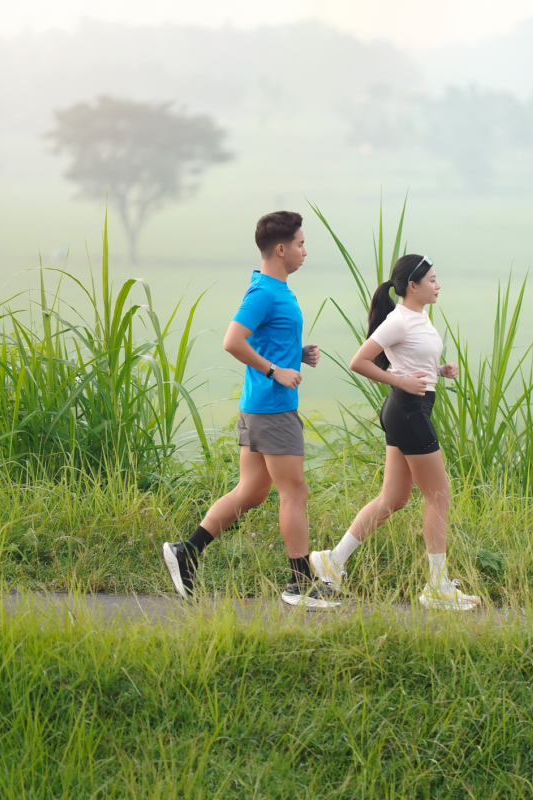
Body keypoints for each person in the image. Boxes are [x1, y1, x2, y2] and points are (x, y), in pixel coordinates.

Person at [162, 211, 339, 610]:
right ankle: (300, 585)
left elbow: (264, 339)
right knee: (295, 491)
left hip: (260, 405)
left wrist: (296, 354)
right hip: (273, 408)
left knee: (252, 491)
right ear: (281, 249)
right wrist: (276, 370)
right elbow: (232, 341)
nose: (305, 252)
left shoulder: (273, 288)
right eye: (300, 244)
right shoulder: (264, 293)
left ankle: (186, 552)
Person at [310, 254, 480, 611]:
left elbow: (413, 359)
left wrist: (440, 370)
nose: (438, 285)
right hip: (407, 411)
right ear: (413, 287)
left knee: (394, 499)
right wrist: (399, 380)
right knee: (439, 495)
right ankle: (437, 588)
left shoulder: (419, 316)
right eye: (432, 280)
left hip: (407, 410)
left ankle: (333, 561)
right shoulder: (397, 320)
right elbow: (360, 361)